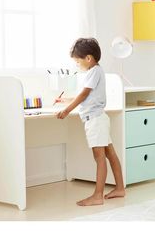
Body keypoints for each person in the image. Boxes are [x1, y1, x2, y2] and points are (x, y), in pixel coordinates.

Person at [56, 38, 125, 206]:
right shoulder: (95, 71)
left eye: (77, 61)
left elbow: (84, 94)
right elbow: (87, 96)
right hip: (99, 118)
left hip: (95, 120)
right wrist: (66, 100)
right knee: (110, 154)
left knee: (99, 157)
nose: (77, 65)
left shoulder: (93, 71)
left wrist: (67, 110)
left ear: (88, 58)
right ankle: (120, 188)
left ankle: (97, 195)